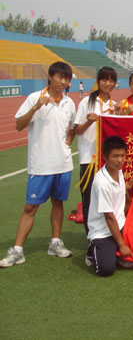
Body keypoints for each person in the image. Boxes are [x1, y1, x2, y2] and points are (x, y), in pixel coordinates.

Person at [0, 62, 76, 268]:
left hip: (63, 163)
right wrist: (36, 107)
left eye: (66, 78)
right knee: (30, 207)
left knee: (58, 203)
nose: (62, 82)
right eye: (59, 77)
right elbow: (18, 125)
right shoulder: (34, 97)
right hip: (41, 164)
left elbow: (73, 127)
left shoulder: (69, 103)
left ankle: (55, 243)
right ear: (50, 77)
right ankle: (17, 250)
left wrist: (69, 140)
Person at [74, 66, 118, 233]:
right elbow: (77, 130)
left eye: (111, 80)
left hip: (108, 161)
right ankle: (91, 238)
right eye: (104, 79)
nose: (108, 83)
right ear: (98, 81)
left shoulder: (115, 106)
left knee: (108, 200)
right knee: (89, 200)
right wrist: (89, 122)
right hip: (90, 159)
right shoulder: (87, 102)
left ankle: (107, 235)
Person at [86, 136, 133, 276]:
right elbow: (109, 217)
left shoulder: (118, 171)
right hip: (103, 231)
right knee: (106, 269)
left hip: (121, 224)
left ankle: (114, 249)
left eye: (122, 155)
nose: (120, 160)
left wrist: (129, 186)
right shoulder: (102, 183)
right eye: (115, 156)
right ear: (105, 157)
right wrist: (122, 245)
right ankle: (93, 251)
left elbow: (118, 190)